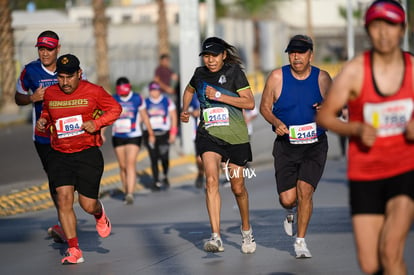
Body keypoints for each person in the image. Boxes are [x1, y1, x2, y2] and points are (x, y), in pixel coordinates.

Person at [316, 1, 414, 274]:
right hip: (366, 174)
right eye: (376, 26)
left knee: (391, 251)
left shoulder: (413, 70)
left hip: (405, 169)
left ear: (402, 29)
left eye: (391, 26)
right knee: (370, 264)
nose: (384, 33)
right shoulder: (355, 71)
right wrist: (355, 129)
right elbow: (325, 116)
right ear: (367, 30)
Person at [36, 54, 122, 264]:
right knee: (63, 199)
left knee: (87, 205)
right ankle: (74, 249)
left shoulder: (94, 91)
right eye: (61, 77)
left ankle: (99, 213)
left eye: (69, 77)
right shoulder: (51, 93)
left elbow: (115, 109)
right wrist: (43, 121)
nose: (65, 82)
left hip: (87, 154)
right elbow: (47, 113)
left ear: (79, 74)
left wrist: (98, 123)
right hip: (60, 154)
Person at [180, 36, 256, 254]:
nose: (210, 60)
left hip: (235, 138)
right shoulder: (199, 74)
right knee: (211, 179)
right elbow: (189, 90)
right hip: (209, 135)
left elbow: (249, 103)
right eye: (206, 56)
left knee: (237, 187)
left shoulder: (234, 73)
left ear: (223, 55)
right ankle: (216, 236)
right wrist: (184, 109)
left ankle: (246, 230)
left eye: (214, 55)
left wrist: (220, 95)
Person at [259, 34, 332, 258]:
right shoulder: (277, 77)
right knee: (287, 199)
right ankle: (290, 212)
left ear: (311, 55)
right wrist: (276, 122)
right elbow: (264, 108)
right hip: (286, 145)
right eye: (292, 53)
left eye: (301, 52)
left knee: (305, 191)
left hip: (314, 144)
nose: (296, 57)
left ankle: (300, 242)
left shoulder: (323, 78)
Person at [14, 30, 66, 243]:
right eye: (42, 49)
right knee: (55, 179)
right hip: (43, 137)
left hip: (68, 134)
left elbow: (86, 93)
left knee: (69, 178)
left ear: (58, 49)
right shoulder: (30, 71)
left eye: (49, 49)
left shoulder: (69, 67)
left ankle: (66, 218)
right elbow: (17, 97)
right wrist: (31, 97)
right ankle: (63, 221)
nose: (45, 53)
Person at [111, 77, 155, 204]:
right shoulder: (114, 99)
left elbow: (144, 116)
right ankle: (126, 190)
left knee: (130, 163)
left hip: (134, 135)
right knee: (123, 166)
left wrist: (151, 133)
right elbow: (106, 116)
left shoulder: (137, 98)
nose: (123, 93)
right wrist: (101, 133)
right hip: (118, 135)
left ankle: (130, 193)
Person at [143, 81, 178, 191]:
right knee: (153, 158)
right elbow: (141, 117)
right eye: (152, 90)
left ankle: (165, 175)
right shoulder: (146, 102)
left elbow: (173, 116)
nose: (155, 92)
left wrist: (173, 132)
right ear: (150, 91)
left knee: (164, 156)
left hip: (164, 134)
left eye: (157, 90)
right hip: (150, 134)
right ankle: (156, 181)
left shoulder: (166, 101)